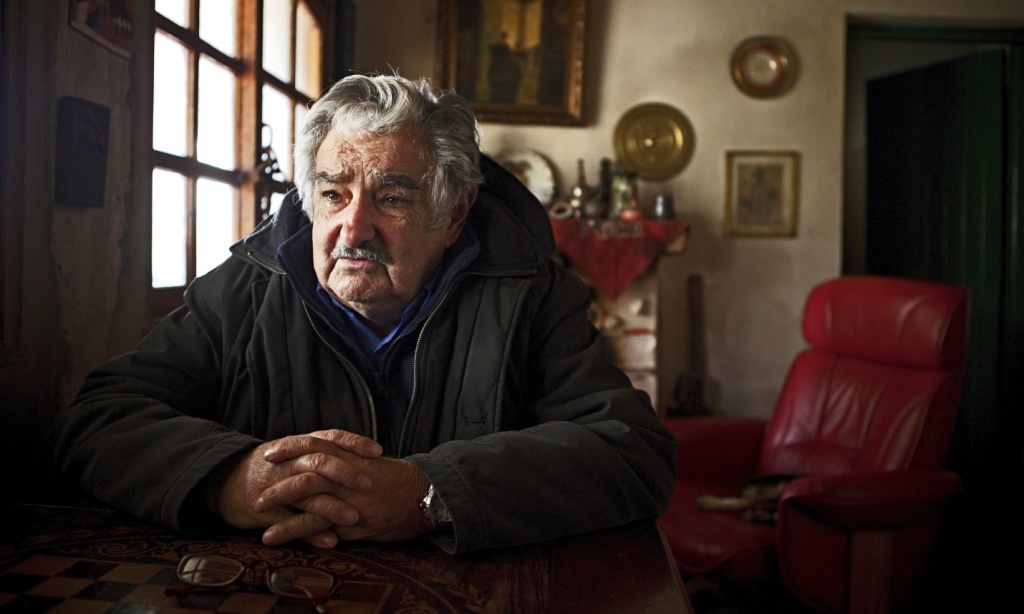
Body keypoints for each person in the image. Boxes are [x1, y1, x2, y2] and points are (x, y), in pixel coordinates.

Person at [48, 74, 676, 554]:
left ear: (454, 212)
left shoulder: (533, 295)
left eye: (392, 196)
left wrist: (431, 494)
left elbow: (630, 453)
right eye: (333, 193)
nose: (354, 226)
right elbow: (98, 419)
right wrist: (225, 479)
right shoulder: (245, 288)